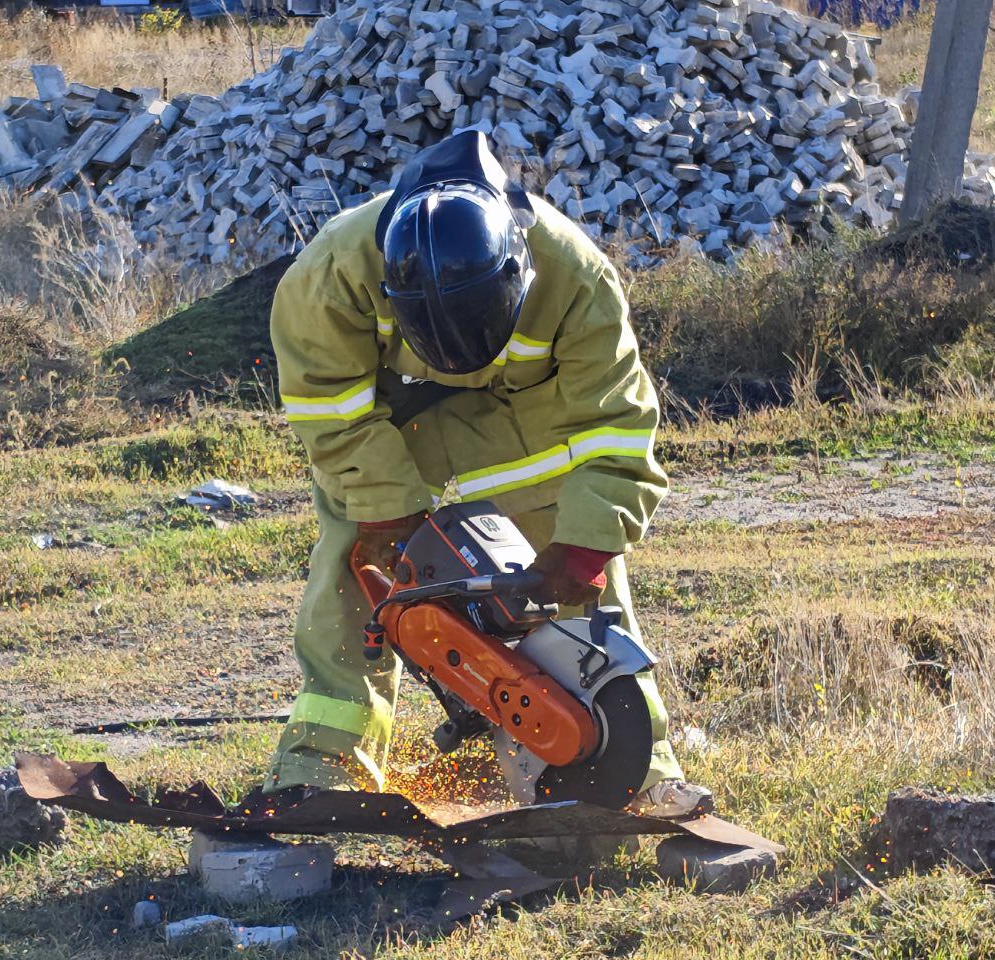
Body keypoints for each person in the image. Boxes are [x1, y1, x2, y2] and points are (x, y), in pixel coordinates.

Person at [264, 130, 711, 819]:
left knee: (584, 575)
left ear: (517, 271)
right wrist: (393, 522)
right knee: (353, 570)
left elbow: (616, 430)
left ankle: (640, 772)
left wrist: (581, 549)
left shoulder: (577, 277)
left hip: (529, 417)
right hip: (390, 423)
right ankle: (324, 766)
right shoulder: (327, 280)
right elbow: (333, 417)